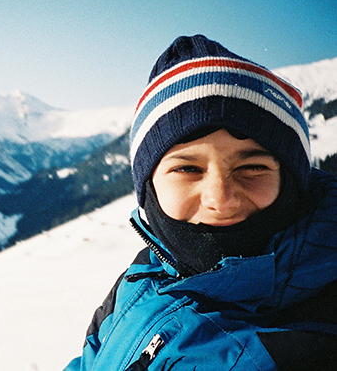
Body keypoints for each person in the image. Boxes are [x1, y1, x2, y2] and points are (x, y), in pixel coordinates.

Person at [64, 35, 337, 371]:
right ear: (149, 187)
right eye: (187, 169)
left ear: (293, 182)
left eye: (252, 167)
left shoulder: (314, 340)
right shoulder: (144, 276)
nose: (220, 199)